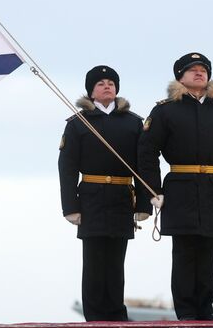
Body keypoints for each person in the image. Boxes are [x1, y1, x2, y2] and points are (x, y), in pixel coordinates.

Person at [138, 52, 213, 321]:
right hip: (180, 188)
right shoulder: (165, 110)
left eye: (203, 69)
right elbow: (146, 151)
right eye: (193, 70)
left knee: (209, 250)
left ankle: (205, 309)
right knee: (185, 250)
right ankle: (187, 311)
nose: (199, 73)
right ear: (180, 76)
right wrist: (154, 190)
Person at [58, 65, 152, 321]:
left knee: (115, 262)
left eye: (111, 82)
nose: (107, 86)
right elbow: (66, 168)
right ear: (91, 92)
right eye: (100, 83)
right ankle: (94, 318)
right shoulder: (78, 123)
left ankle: (116, 317)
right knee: (94, 262)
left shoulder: (134, 123)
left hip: (122, 198)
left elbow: (143, 166)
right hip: (91, 200)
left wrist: (144, 204)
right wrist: (70, 207)